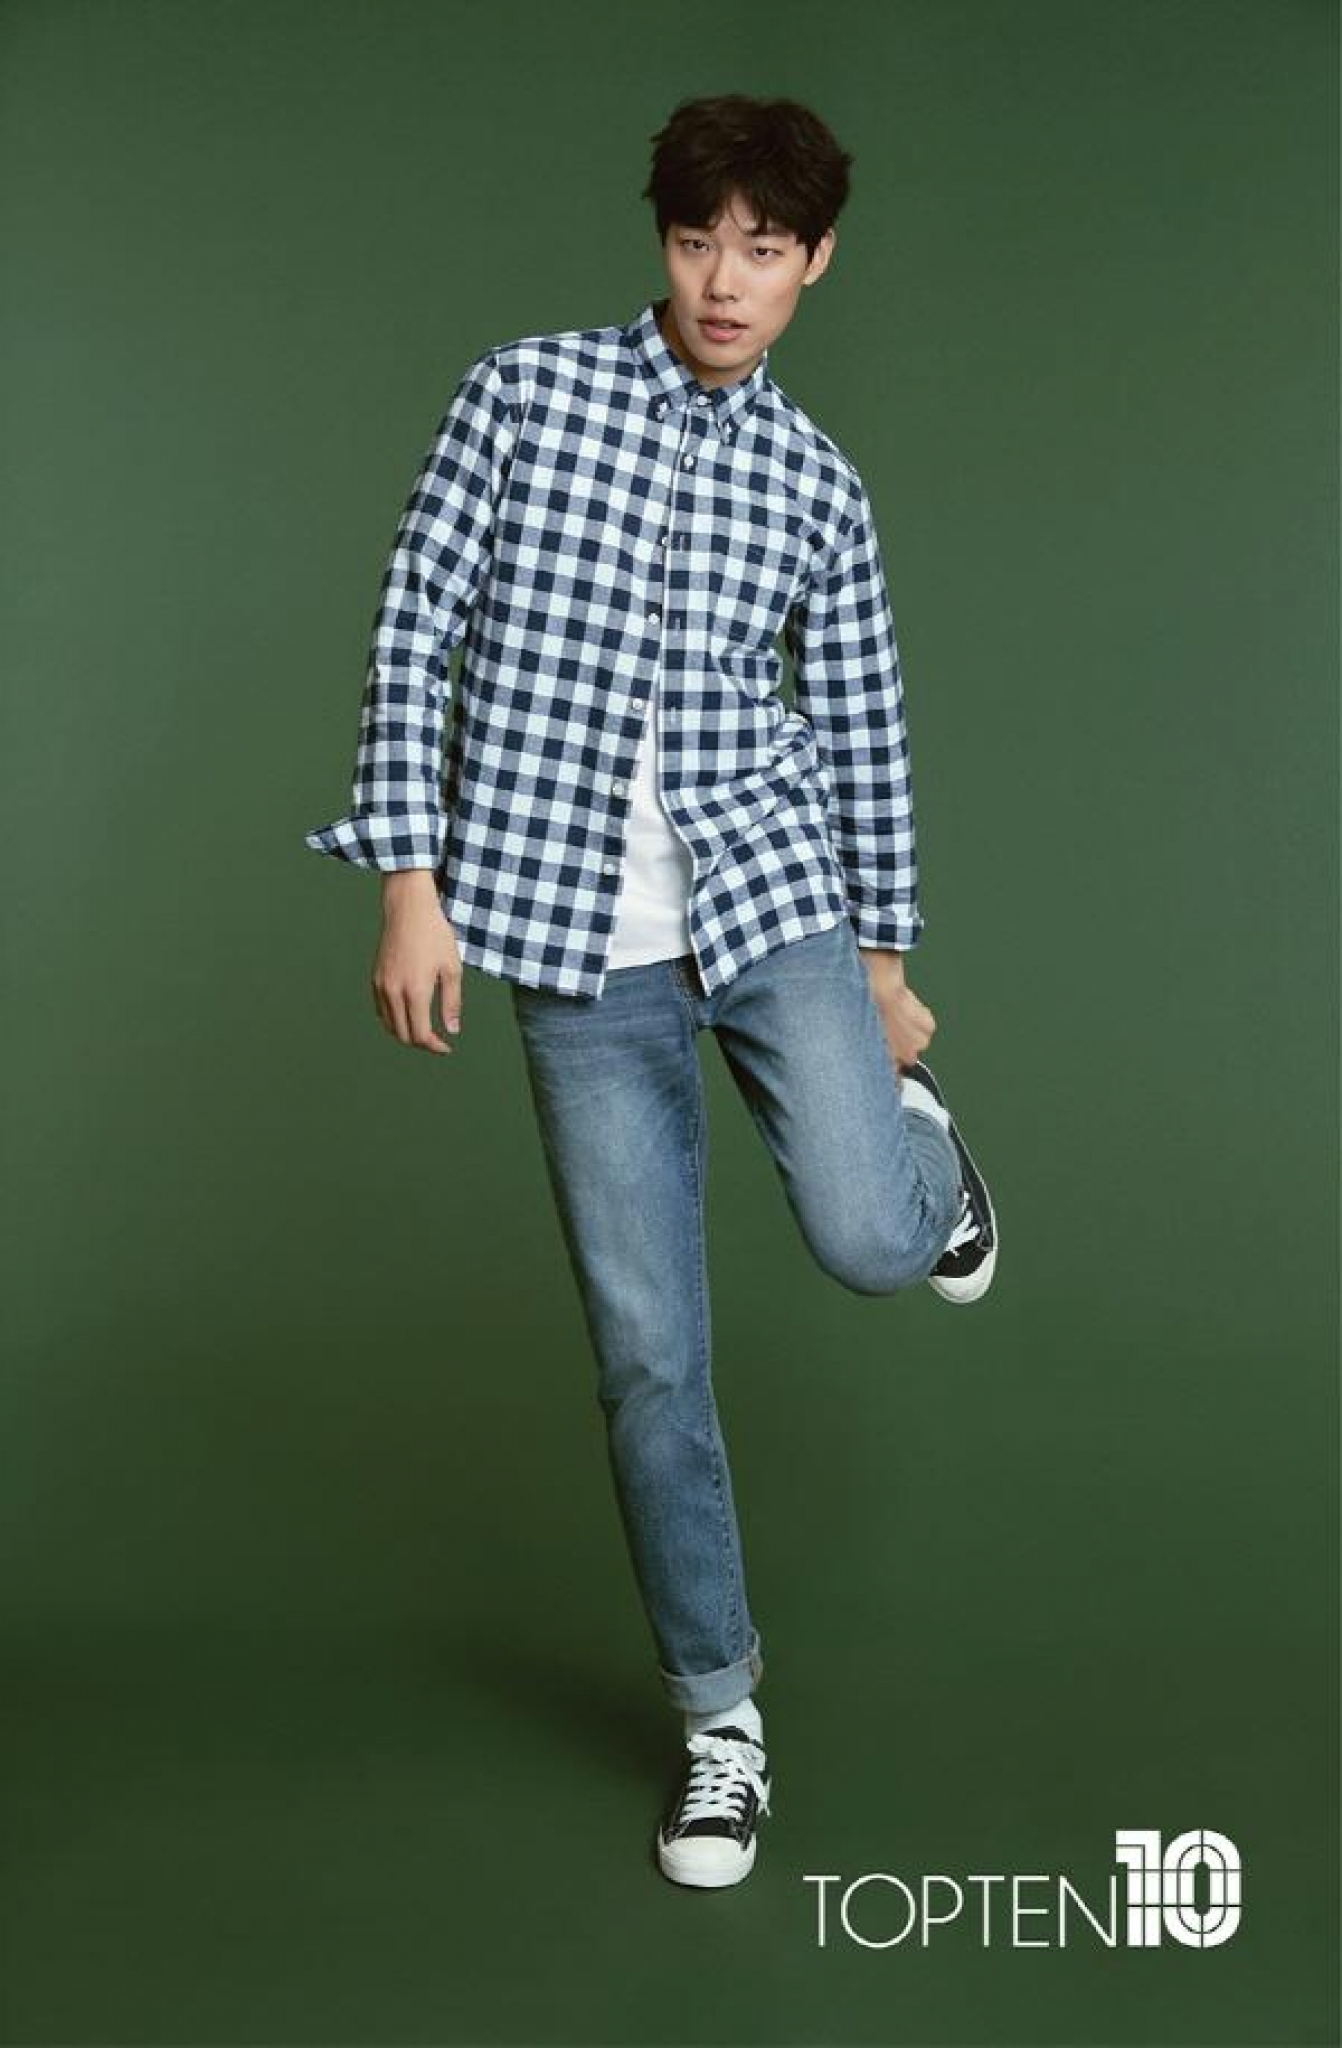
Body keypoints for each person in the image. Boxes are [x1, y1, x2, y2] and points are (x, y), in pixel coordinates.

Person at [304, 92, 999, 1891]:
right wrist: (407, 878)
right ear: (662, 242)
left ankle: (924, 1161)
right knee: (645, 1358)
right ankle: (719, 1726)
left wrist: (883, 963)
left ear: (813, 261)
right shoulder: (521, 395)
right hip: (570, 945)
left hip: (769, 897)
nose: (722, 282)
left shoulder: (815, 484)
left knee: (869, 1238)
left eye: (761, 250)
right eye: (697, 241)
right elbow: (414, 623)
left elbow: (861, 723)